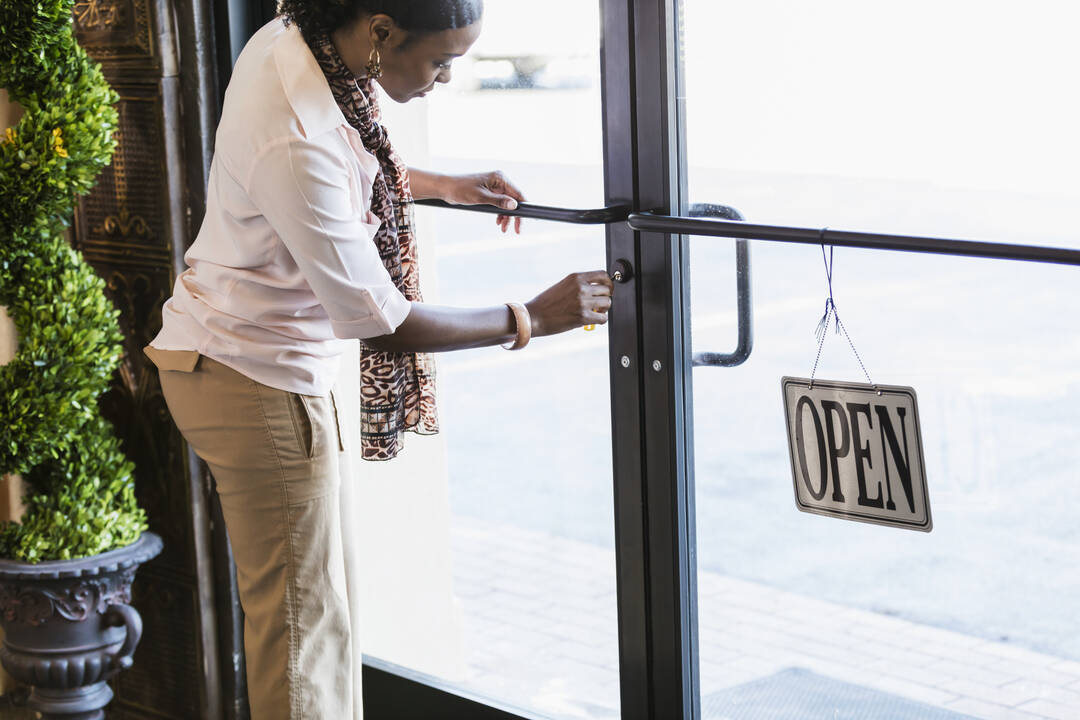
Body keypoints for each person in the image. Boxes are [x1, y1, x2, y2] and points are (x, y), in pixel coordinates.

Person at [142, 0, 612, 716]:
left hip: (236, 362)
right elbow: (382, 321)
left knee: (313, 613)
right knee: (305, 635)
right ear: (382, 30)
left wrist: (441, 184)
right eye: (440, 61)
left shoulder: (292, 39)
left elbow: (341, 177)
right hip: (254, 382)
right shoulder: (297, 129)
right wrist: (532, 318)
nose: (446, 78)